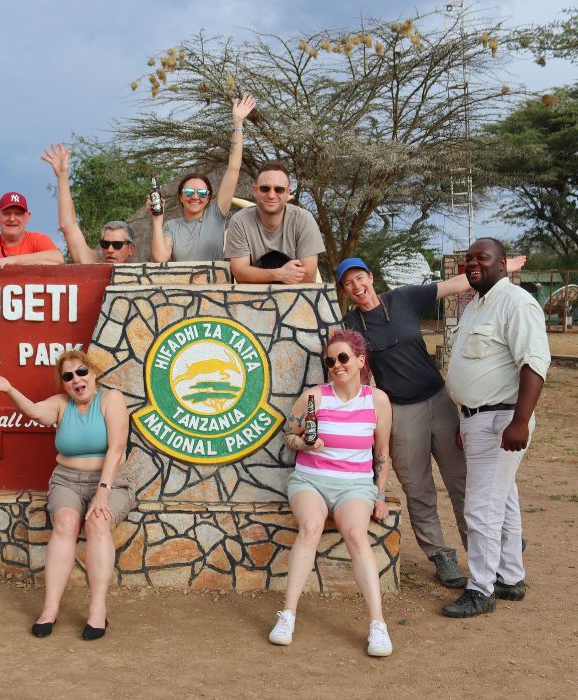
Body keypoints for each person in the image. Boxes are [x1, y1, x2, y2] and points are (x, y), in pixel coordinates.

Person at [337, 253, 526, 587]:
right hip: (401, 412)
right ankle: (440, 554)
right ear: (344, 290)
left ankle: (486, 551)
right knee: (418, 486)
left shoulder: (404, 298)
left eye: (360, 278)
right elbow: (352, 370)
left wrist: (501, 268)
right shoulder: (351, 327)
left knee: (462, 480)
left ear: (371, 276)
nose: (357, 286)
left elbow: (453, 284)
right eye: (349, 283)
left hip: (438, 400)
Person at [0, 350, 132, 640]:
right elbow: (35, 412)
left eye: (82, 372)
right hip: (67, 480)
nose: (77, 379)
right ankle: (50, 609)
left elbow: (116, 448)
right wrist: (10, 389)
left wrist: (102, 492)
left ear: (94, 373)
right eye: (68, 376)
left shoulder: (111, 400)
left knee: (98, 522)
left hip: (110, 481)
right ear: (64, 384)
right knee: (65, 523)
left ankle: (97, 611)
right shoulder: (62, 405)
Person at [442, 238, 550, 618]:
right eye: (469, 259)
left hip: (502, 419)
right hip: (477, 419)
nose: (473, 264)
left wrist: (519, 420)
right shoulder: (476, 305)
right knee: (502, 501)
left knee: (482, 507)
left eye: (481, 258)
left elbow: (534, 363)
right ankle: (509, 577)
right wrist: (465, 416)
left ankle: (481, 589)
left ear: (502, 264)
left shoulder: (516, 303)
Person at [271, 329, 394, 657]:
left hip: (355, 484)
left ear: (359, 361)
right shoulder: (314, 397)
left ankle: (378, 625)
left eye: (343, 358)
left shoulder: (377, 401)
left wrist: (380, 496)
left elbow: (382, 452)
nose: (336, 365)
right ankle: (288, 616)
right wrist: (305, 442)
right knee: (310, 527)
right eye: (330, 361)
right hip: (310, 480)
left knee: (356, 534)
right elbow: (288, 435)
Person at [148, 95, 256, 263]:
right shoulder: (171, 226)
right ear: (181, 196)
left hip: (216, 285)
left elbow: (233, 169)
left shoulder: (216, 214)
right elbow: (161, 258)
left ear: (208, 198)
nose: (195, 197)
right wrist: (157, 219)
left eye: (202, 193)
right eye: (189, 192)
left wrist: (238, 124)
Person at [224, 161, 326, 283]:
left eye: (279, 189)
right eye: (265, 188)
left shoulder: (304, 219)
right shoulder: (239, 221)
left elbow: (307, 275)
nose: (271, 195)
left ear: (288, 193)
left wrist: (257, 275)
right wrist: (279, 274)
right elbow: (239, 273)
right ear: (255, 190)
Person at [40, 143, 136, 264]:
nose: (110, 250)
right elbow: (68, 226)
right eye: (105, 244)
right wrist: (62, 175)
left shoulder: (144, 274)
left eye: (117, 245)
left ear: (131, 249)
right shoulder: (93, 263)